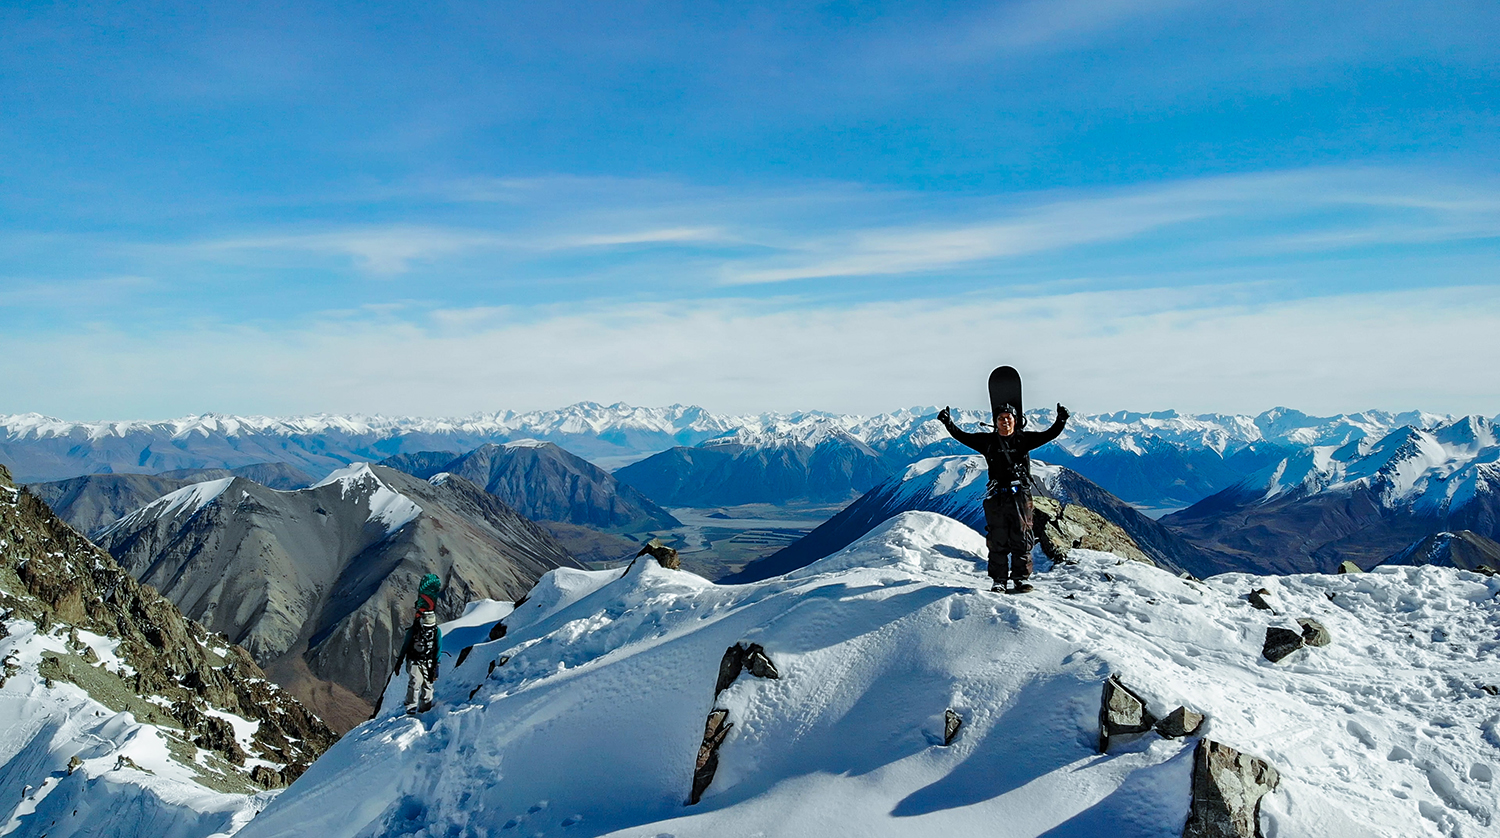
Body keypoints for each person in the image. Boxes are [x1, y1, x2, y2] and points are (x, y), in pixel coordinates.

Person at [938, 401, 1070, 593]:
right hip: (997, 497)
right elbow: (963, 437)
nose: (1005, 422)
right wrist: (948, 423)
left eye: (1008, 418)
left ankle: (1020, 579)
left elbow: (1049, 435)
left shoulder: (1023, 440)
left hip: (1020, 497)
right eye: (1001, 419)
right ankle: (999, 580)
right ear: (995, 422)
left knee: (1022, 538)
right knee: (997, 539)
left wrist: (1061, 420)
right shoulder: (988, 442)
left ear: (1015, 421)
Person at [396, 573, 443, 714]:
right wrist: (436, 665)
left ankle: (423, 709)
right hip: (419, 661)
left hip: (422, 661)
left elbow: (438, 649)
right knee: (417, 683)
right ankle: (413, 709)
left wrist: (436, 665)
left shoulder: (425, 631)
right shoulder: (434, 631)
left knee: (422, 685)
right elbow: (438, 649)